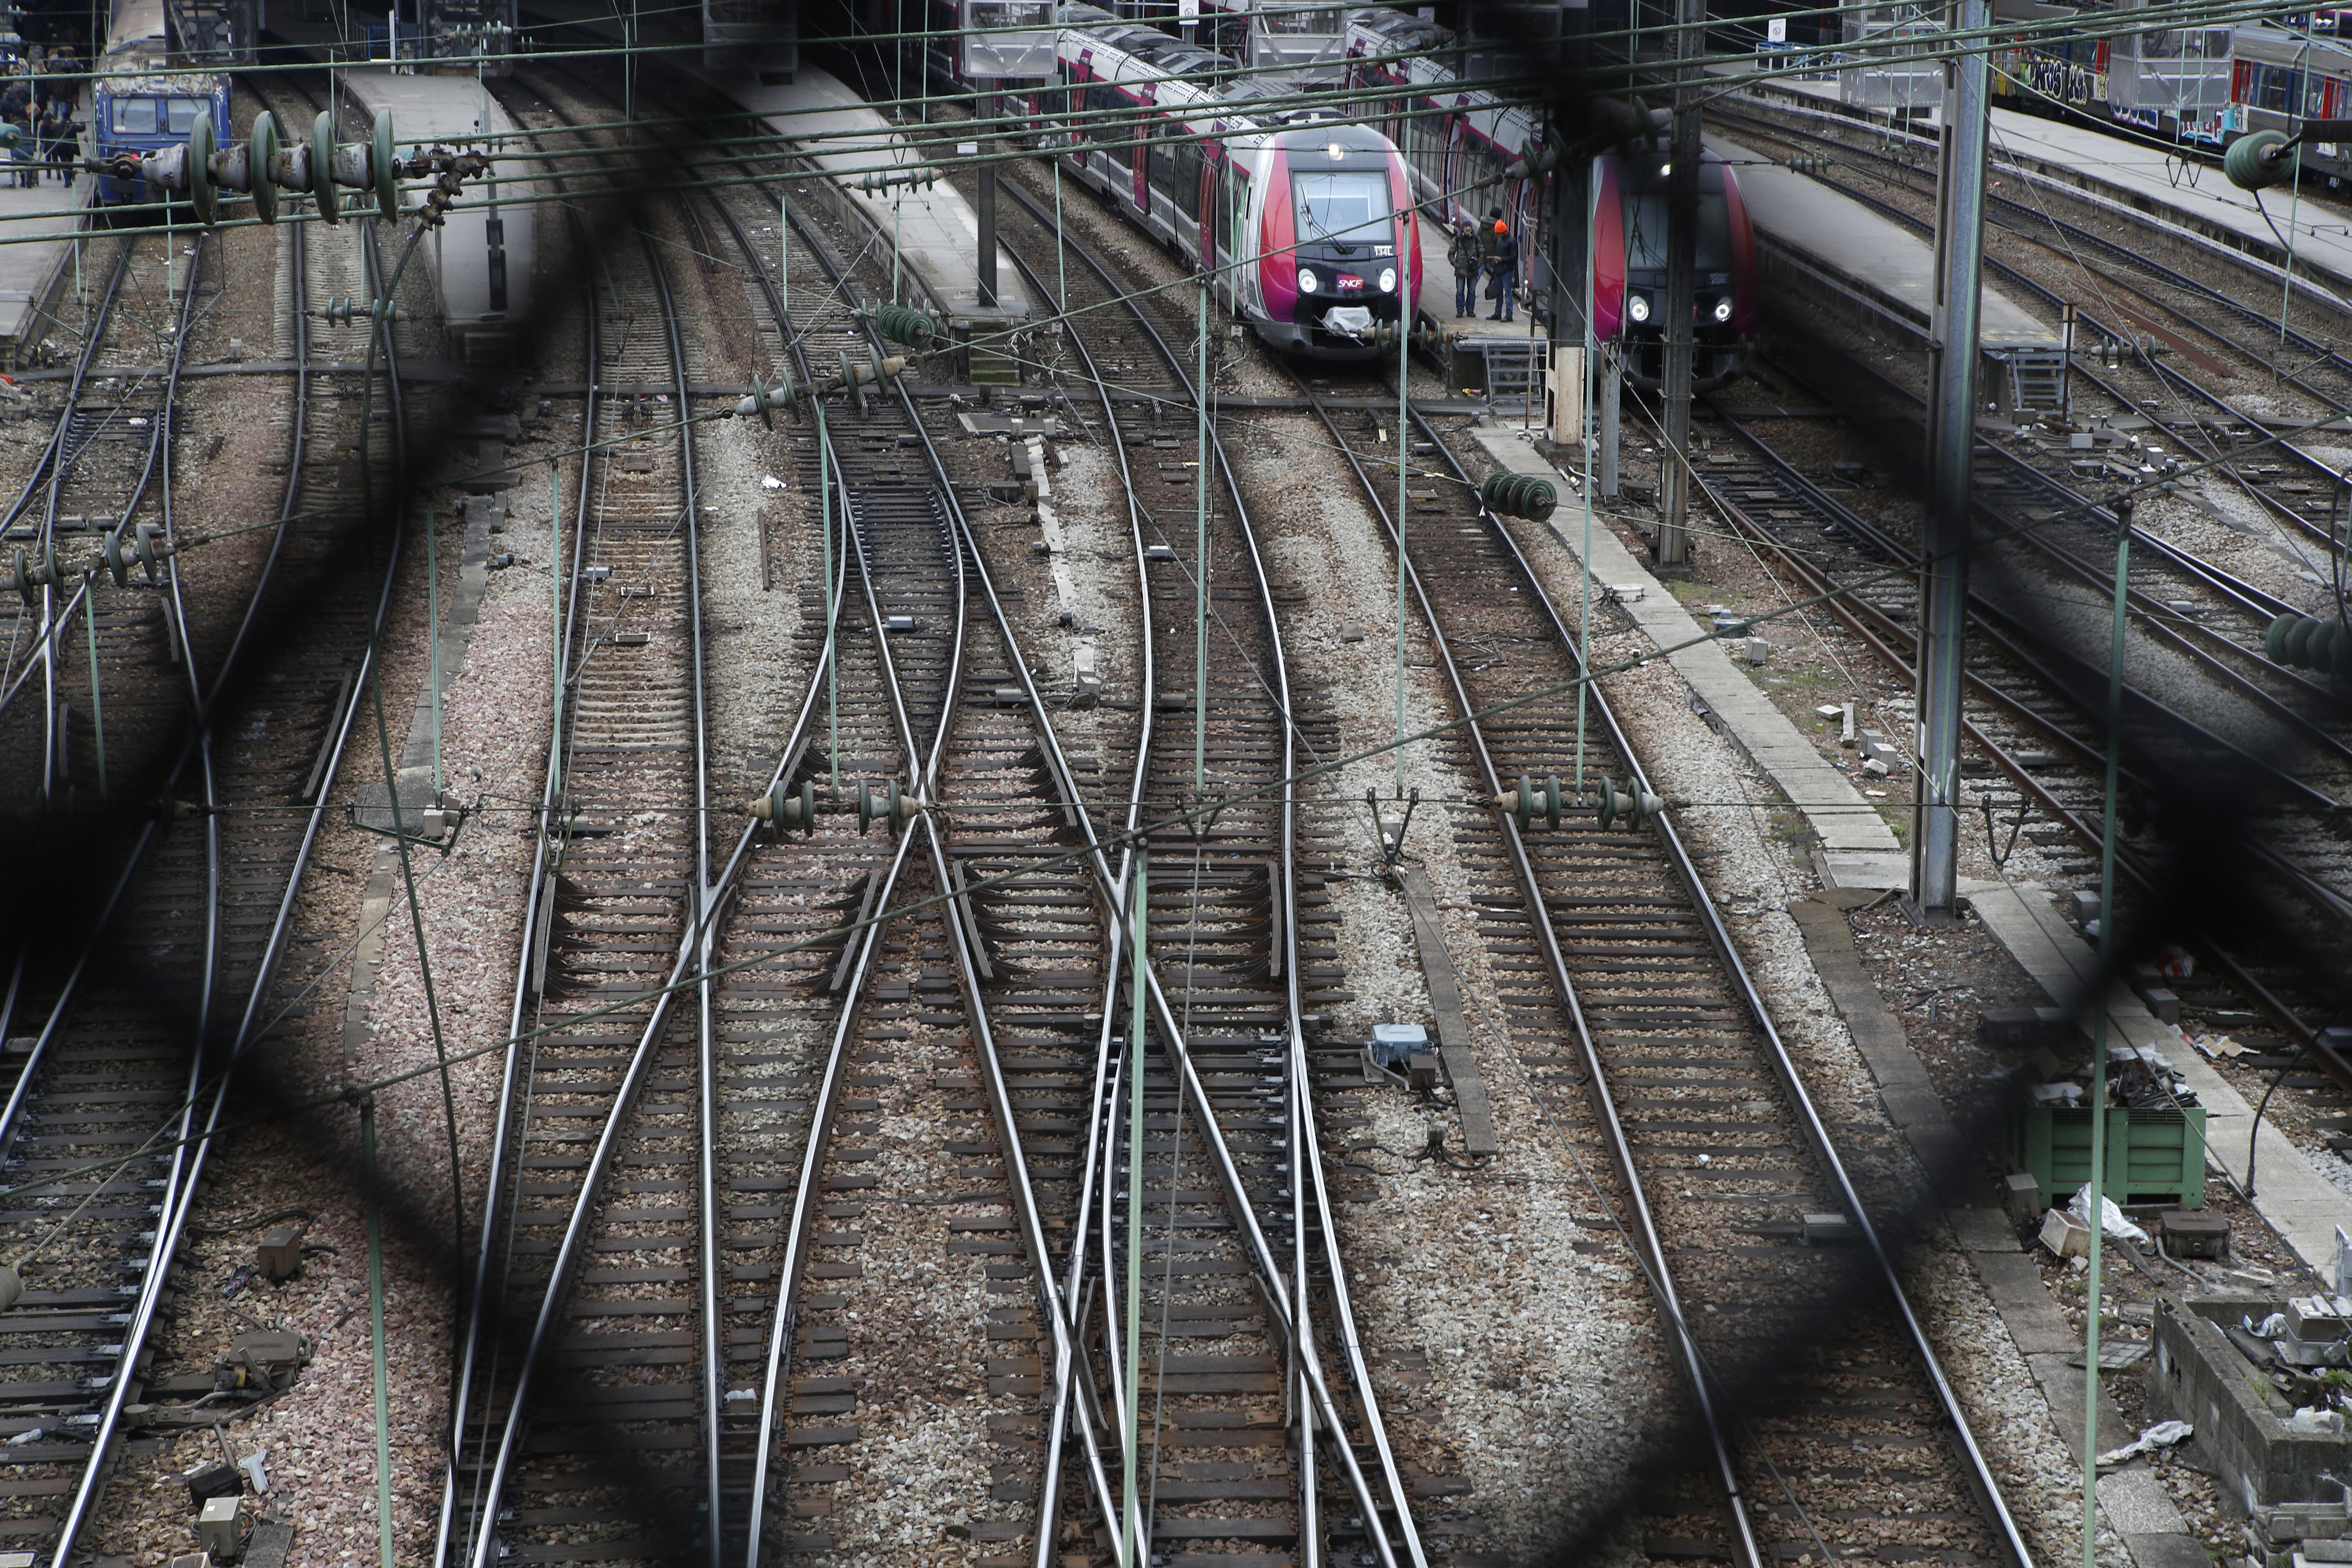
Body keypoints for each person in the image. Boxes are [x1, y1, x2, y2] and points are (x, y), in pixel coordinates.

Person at [1486, 215, 1519, 323]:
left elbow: (1514, 257)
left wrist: (1501, 260)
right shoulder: (1500, 240)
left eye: (1500, 233)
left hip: (1506, 271)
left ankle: (1509, 314)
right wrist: (1494, 267)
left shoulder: (1512, 242)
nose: (1499, 235)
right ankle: (1498, 313)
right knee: (1499, 292)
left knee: (1507, 293)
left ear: (1505, 231)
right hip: (1499, 270)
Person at [1446, 217, 1480, 318]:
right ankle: (1460, 310)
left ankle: (1470, 310)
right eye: (1466, 227)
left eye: (1470, 227)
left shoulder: (1476, 239)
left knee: (1472, 291)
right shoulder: (1457, 239)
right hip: (1460, 271)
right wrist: (1456, 265)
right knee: (1460, 291)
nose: (1468, 229)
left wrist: (1478, 265)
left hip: (1473, 271)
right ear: (1463, 228)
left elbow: (1482, 253)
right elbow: (1450, 254)